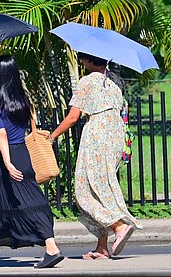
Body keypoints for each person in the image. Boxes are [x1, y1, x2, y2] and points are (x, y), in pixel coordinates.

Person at [0, 55, 64, 270]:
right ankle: (48, 246)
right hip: (23, 154)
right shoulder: (23, 100)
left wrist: (7, 164)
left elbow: (1, 134)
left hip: (2, 158)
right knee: (31, 200)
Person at [47, 52, 142, 260]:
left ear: (89, 60)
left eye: (83, 58)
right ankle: (102, 247)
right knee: (102, 187)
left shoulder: (87, 81)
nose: (82, 62)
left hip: (97, 134)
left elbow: (73, 117)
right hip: (116, 134)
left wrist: (52, 136)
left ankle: (118, 226)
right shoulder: (115, 80)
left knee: (84, 191)